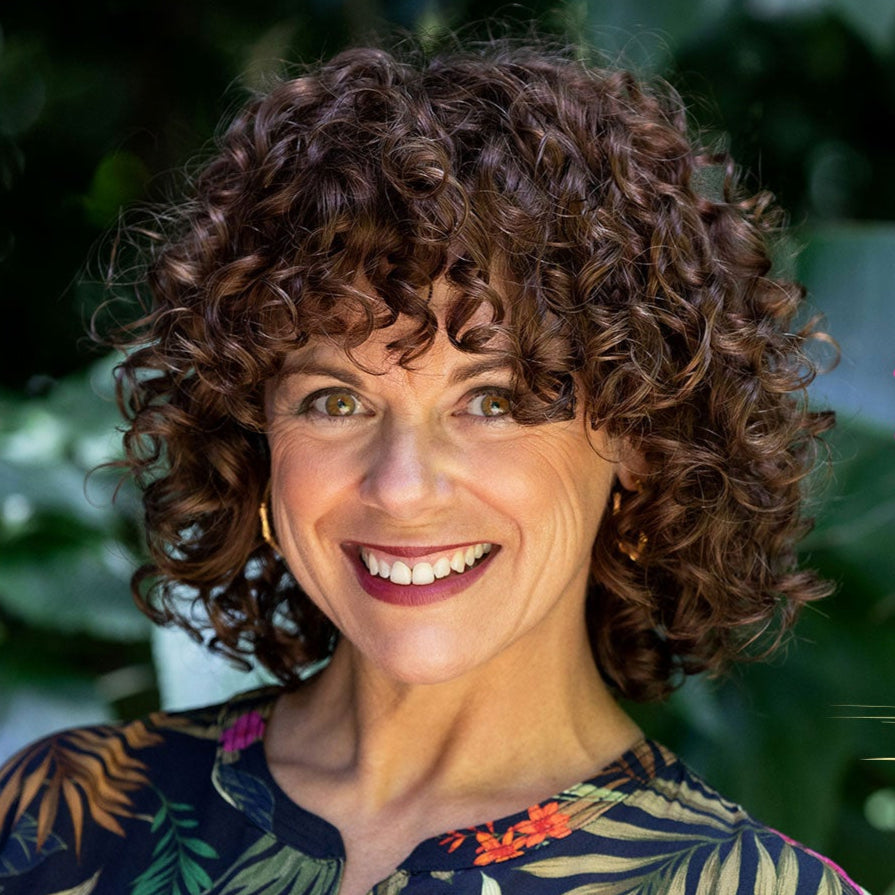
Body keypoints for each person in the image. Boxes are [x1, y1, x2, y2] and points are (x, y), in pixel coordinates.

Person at [0, 38, 865, 895]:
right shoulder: (59, 819)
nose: (402, 488)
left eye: (494, 401)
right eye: (334, 401)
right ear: (253, 435)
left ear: (641, 435)